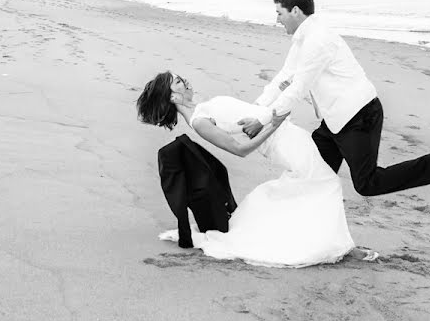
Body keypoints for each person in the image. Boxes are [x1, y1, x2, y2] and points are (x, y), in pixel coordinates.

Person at [137, 71, 377, 268]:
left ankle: (330, 243)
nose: (184, 80)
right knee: (326, 183)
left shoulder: (204, 107)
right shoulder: (199, 122)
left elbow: (249, 116)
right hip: (281, 143)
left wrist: (276, 101)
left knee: (317, 184)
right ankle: (343, 248)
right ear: (173, 98)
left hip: (289, 135)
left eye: (180, 77)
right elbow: (240, 150)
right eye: (177, 82)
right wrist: (275, 122)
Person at [239, 0, 430, 203]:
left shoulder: (317, 40)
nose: (277, 20)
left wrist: (262, 120)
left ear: (295, 11)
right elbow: (284, 77)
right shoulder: (302, 40)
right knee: (312, 172)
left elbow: (297, 88)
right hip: (334, 120)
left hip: (358, 116)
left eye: (279, 13)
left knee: (367, 183)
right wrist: (256, 108)